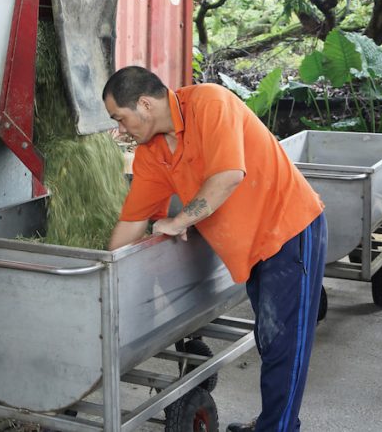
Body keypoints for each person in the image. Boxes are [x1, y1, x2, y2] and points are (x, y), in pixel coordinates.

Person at [104, 66, 326, 432]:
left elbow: (228, 175)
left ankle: (278, 428)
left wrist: (179, 220)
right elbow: (132, 222)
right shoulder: (152, 153)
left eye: (121, 119)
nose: (121, 130)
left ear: (145, 103)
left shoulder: (210, 102)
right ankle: (273, 421)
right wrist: (104, 266)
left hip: (289, 230)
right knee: (270, 340)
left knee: (285, 346)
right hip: (251, 247)